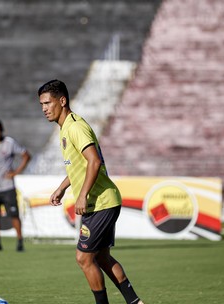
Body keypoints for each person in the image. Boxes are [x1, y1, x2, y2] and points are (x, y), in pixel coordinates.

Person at [38, 79, 144, 304]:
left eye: (48, 103)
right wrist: (62, 188)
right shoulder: (65, 127)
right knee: (103, 258)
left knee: (84, 259)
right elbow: (81, 166)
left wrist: (83, 194)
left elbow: (94, 161)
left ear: (63, 101)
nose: (44, 108)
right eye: (41, 104)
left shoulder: (75, 127)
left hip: (101, 202)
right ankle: (135, 302)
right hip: (102, 202)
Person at [0, 119, 31, 251]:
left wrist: (16, 172)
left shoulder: (10, 143)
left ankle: (20, 242)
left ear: (2, 131)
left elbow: (26, 155)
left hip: (7, 187)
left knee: (14, 215)